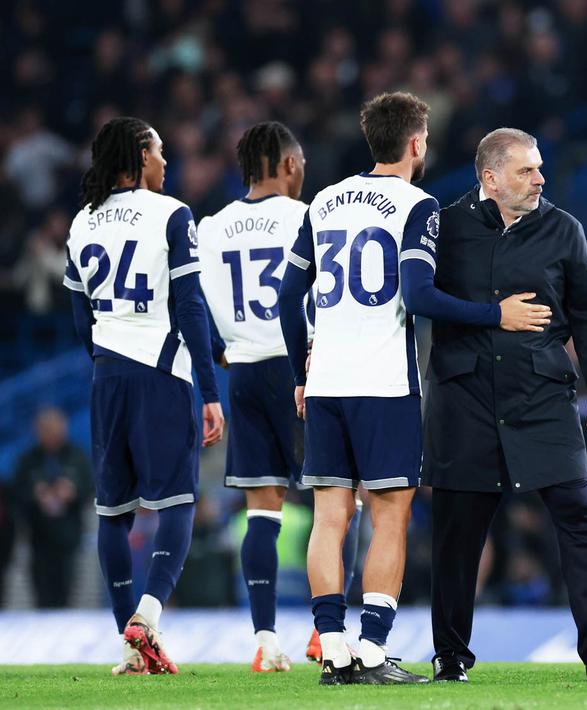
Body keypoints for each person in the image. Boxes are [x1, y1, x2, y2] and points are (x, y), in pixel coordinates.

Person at [277, 93, 549, 686]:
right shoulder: (415, 205)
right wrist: (493, 314)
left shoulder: (322, 201)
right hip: (383, 383)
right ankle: (372, 650)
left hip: (326, 384)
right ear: (417, 143)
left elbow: (285, 299)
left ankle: (334, 649)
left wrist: (302, 373)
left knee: (329, 517)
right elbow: (419, 296)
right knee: (390, 516)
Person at [424, 127, 587, 683]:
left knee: (578, 520)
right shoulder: (445, 228)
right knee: (457, 534)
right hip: (465, 399)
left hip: (543, 399)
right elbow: (415, 299)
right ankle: (450, 655)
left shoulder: (562, 228)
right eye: (527, 171)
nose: (540, 180)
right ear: (490, 178)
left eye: (539, 169)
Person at [63, 117, 225, 675]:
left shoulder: (81, 222)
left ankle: (129, 641)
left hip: (107, 374)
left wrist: (108, 361)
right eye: (158, 151)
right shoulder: (172, 213)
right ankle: (149, 616)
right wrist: (209, 389)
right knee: (177, 500)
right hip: (162, 372)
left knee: (113, 511)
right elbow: (190, 306)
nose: (165, 160)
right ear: (138, 157)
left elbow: (79, 316)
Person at [198, 121, 313, 672]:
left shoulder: (211, 226)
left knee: (261, 512)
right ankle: (325, 629)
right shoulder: (307, 216)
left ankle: (266, 641)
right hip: (300, 369)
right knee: (344, 496)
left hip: (242, 373)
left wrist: (221, 350)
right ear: (289, 165)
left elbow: (191, 305)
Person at [11, 406, 92, 607]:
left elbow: (90, 487)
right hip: (38, 536)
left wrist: (72, 491)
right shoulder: (28, 459)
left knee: (66, 591)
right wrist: (36, 494)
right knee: (42, 592)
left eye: (54, 430)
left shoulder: (77, 455)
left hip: (69, 536)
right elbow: (17, 492)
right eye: (45, 430)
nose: (50, 435)